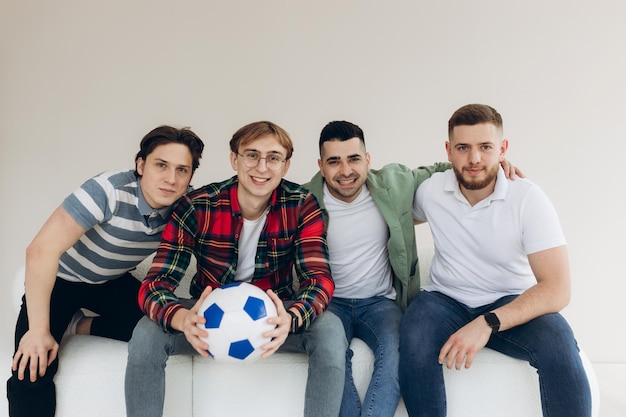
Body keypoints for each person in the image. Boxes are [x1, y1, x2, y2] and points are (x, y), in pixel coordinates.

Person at [124, 121, 347, 417]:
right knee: (145, 333)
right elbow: (155, 283)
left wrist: (291, 319)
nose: (262, 167)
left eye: (273, 158)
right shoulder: (197, 206)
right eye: (251, 155)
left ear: (285, 165)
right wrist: (182, 318)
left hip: (275, 319)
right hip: (207, 319)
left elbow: (318, 279)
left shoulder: (301, 205)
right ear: (234, 159)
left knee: (331, 330)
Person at [305, 120, 520, 417]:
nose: (345, 171)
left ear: (368, 159)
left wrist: (494, 163)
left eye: (354, 159)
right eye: (334, 161)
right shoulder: (301, 200)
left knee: (396, 356)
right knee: (335, 359)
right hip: (328, 303)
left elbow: (447, 167)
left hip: (381, 303)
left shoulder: (395, 184)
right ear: (320, 164)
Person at [399, 104, 591, 417]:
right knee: (414, 338)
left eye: (485, 147)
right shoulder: (431, 191)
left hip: (509, 301)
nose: (474, 159)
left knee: (560, 346)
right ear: (448, 151)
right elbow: (390, 208)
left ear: (502, 149)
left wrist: (488, 322)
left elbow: (557, 289)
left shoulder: (528, 198)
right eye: (463, 148)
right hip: (444, 300)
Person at [7, 125, 205, 417]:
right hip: (60, 280)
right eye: (161, 165)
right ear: (140, 165)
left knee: (161, 326)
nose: (171, 178)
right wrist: (39, 330)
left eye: (182, 170)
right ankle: (55, 326)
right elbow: (40, 251)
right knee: (32, 367)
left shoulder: (186, 207)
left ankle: (80, 326)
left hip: (109, 281)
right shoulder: (108, 190)